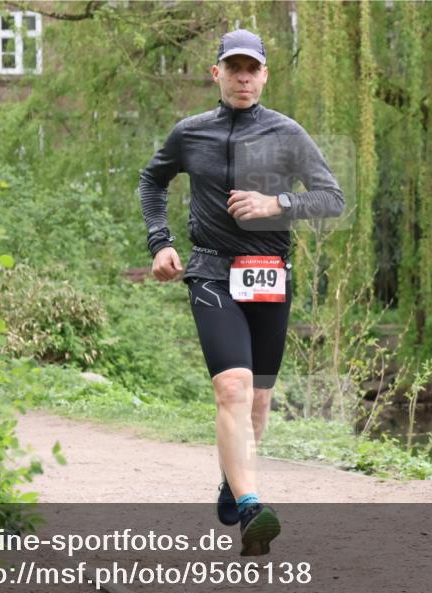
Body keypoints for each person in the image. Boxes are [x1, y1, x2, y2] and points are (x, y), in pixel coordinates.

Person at [139, 29, 345, 556]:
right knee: (233, 387)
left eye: (252, 69)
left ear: (265, 75)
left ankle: (234, 480)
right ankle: (252, 505)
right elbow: (152, 181)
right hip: (211, 272)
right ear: (217, 74)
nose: (243, 78)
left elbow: (332, 199)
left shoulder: (287, 133)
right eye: (234, 68)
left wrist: (277, 204)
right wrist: (160, 242)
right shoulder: (190, 133)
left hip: (269, 274)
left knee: (258, 399)